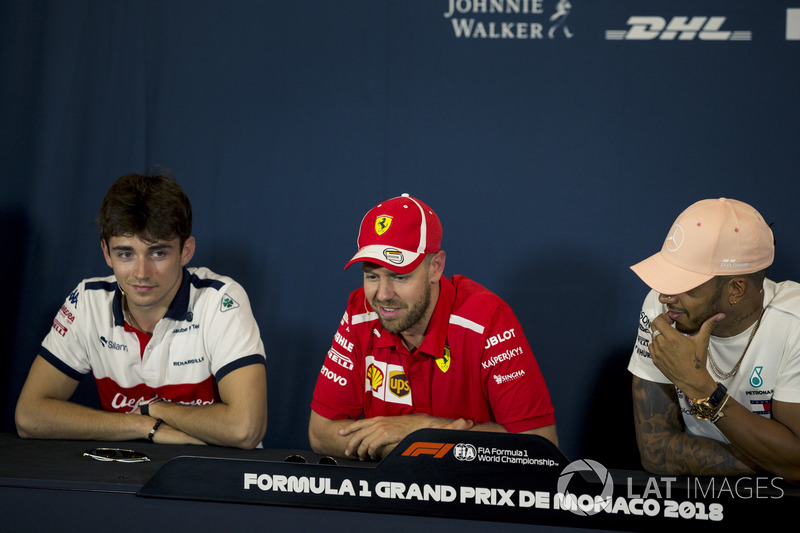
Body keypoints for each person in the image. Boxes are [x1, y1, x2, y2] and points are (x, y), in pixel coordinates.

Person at [15, 171, 267, 449]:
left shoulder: (221, 300)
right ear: (106, 253)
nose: (142, 272)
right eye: (126, 254)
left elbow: (246, 429)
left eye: (158, 253)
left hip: (214, 477)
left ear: (186, 251)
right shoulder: (87, 301)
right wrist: (143, 425)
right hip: (124, 476)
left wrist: (154, 409)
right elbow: (29, 416)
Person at [309, 194, 557, 460]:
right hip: (388, 496)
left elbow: (541, 446)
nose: (382, 295)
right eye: (372, 276)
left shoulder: (487, 319)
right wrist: (425, 442)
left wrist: (425, 429)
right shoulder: (360, 310)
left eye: (399, 276)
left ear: (436, 268)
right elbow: (320, 433)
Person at [629, 197, 800, 481]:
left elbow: (797, 465)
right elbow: (655, 450)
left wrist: (703, 389)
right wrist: (773, 461)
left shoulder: (793, 325)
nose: (663, 296)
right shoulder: (661, 310)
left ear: (736, 289)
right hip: (699, 499)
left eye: (682, 284)